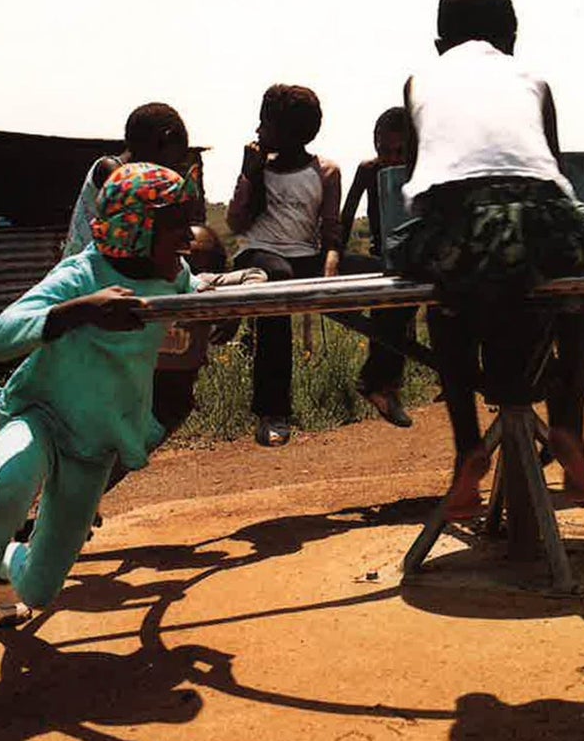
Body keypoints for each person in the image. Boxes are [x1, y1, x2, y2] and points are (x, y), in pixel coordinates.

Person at [0, 162, 199, 723]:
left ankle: (4, 565)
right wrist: (79, 312)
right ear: (135, 228)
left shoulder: (176, 278)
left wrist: (223, 308)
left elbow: (192, 322)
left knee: (41, 589)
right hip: (39, 415)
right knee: (8, 488)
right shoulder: (81, 274)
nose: (188, 237)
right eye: (175, 226)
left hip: (94, 444)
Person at [394, 0, 584, 520]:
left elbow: (419, 179)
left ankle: (467, 446)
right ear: (512, 38)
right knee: (583, 279)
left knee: (442, 300)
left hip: (458, 225)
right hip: (542, 219)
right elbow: (554, 168)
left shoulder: (418, 82)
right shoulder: (534, 79)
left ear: (439, 45)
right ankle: (568, 423)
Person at [99, 225, 266, 496]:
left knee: (130, 451)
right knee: (103, 446)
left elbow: (256, 275)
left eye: (198, 254)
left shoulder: (205, 283)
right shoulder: (152, 279)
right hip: (132, 380)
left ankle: (86, 499)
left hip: (171, 394)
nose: (188, 260)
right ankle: (78, 501)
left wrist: (233, 309)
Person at [226, 84, 342, 447]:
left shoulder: (325, 171)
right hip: (259, 255)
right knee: (278, 280)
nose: (257, 130)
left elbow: (331, 232)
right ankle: (272, 411)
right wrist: (249, 175)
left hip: (304, 257)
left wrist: (332, 264)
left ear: (289, 133)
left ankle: (382, 379)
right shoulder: (258, 168)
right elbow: (236, 224)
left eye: (265, 124)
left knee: (383, 270)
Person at [338, 106, 416, 428]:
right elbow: (345, 219)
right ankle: (381, 384)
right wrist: (333, 258)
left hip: (410, 261)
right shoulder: (368, 170)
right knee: (389, 292)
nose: (391, 159)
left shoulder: (422, 172)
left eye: (399, 151)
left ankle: (382, 384)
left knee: (399, 299)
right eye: (384, 150)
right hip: (378, 258)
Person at [62, 102, 200, 259]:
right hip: (91, 268)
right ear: (164, 140)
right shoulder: (113, 172)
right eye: (175, 156)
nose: (170, 167)